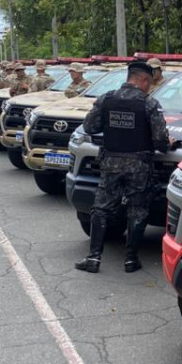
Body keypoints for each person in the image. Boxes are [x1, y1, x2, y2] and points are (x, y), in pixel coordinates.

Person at [75, 61, 172, 274]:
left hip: (110, 163)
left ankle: (93, 258)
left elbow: (90, 126)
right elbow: (160, 142)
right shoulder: (149, 104)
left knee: (101, 207)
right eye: (149, 83)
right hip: (139, 166)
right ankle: (130, 260)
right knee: (137, 209)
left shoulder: (107, 99)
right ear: (144, 80)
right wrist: (169, 142)